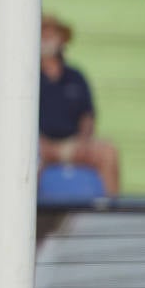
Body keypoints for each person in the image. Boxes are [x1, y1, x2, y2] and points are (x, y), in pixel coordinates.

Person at [38, 14, 121, 197]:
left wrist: (83, 141)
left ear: (62, 40)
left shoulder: (76, 76)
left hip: (72, 144)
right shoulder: (29, 76)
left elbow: (87, 116)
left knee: (108, 152)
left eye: (52, 34)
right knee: (24, 159)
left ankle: (112, 210)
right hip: (39, 145)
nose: (47, 40)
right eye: (44, 34)